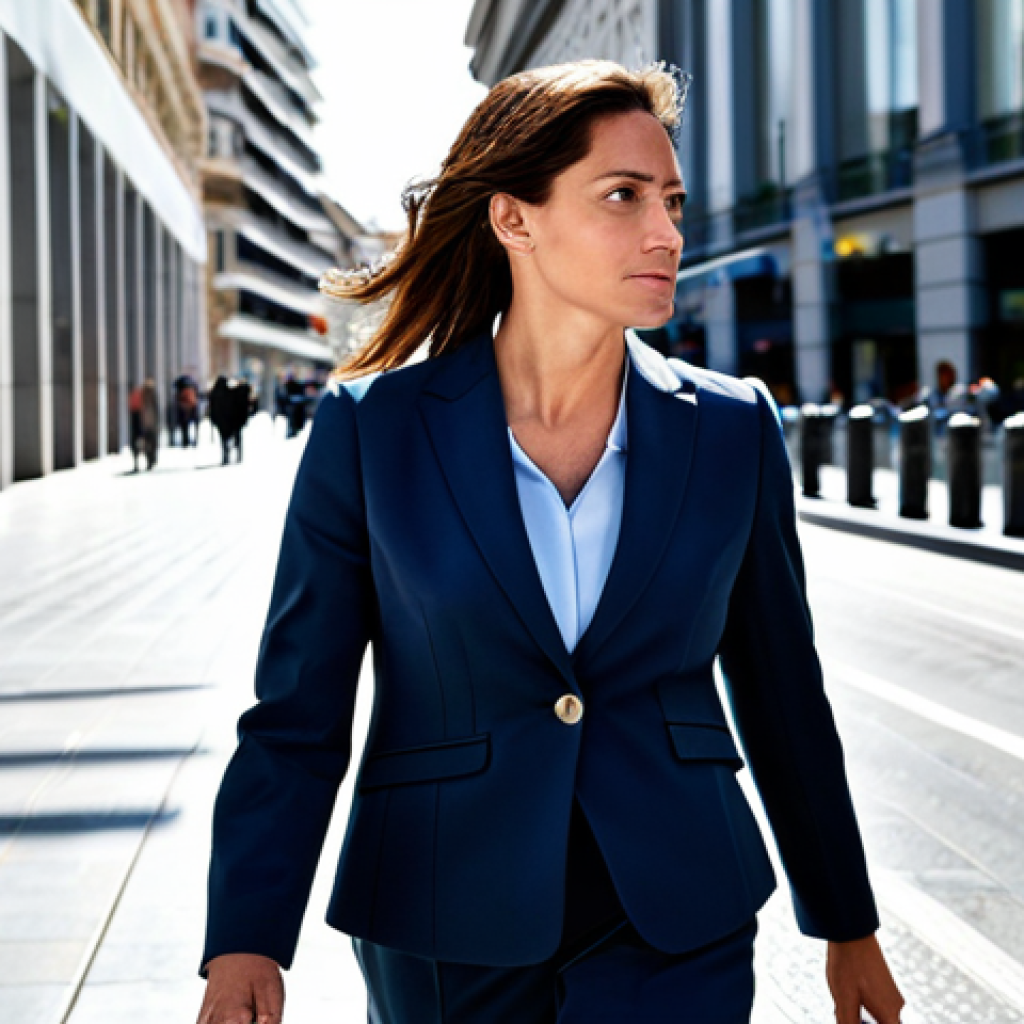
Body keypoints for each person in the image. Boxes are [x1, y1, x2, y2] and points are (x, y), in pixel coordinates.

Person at [197, 61, 904, 1024]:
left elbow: (783, 691)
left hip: (676, 909)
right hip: (443, 910)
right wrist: (247, 935)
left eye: (671, 201)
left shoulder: (733, 428)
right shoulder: (373, 431)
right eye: (623, 197)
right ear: (513, 220)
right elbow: (297, 711)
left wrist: (846, 920)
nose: (666, 233)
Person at [207, 375, 251, 465]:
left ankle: (226, 456)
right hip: (233, 420)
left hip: (222, 421)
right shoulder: (229, 392)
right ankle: (238, 455)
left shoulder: (215, 393)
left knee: (224, 440)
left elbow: (211, 408)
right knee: (237, 438)